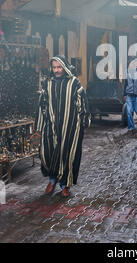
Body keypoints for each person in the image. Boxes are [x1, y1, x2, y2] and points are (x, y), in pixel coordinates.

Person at [35, 55, 91, 197]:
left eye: (59, 67)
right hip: (52, 126)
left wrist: (83, 122)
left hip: (70, 126)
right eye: (54, 67)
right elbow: (42, 104)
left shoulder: (74, 83)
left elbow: (83, 103)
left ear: (64, 67)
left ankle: (65, 185)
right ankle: (52, 180)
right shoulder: (48, 83)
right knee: (47, 152)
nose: (57, 70)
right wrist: (40, 126)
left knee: (67, 155)